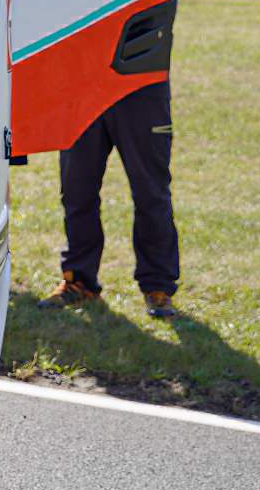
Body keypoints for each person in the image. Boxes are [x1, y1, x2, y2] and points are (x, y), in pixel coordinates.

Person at [41, 81, 182, 319]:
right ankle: (79, 280)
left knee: (150, 194)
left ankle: (157, 285)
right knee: (77, 191)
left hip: (140, 84)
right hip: (81, 88)